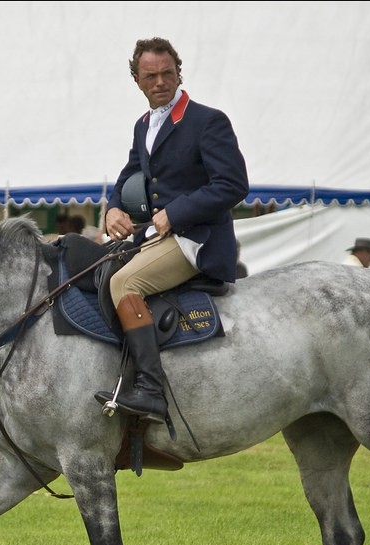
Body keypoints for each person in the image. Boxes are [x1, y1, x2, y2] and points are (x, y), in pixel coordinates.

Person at [94, 37, 249, 423]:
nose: (160, 81)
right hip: (159, 237)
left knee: (125, 284)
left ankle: (150, 389)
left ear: (179, 72)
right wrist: (112, 208)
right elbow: (131, 173)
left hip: (197, 240)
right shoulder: (143, 124)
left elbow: (232, 185)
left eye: (167, 73)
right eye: (151, 76)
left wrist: (175, 213)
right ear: (137, 80)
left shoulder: (207, 120)